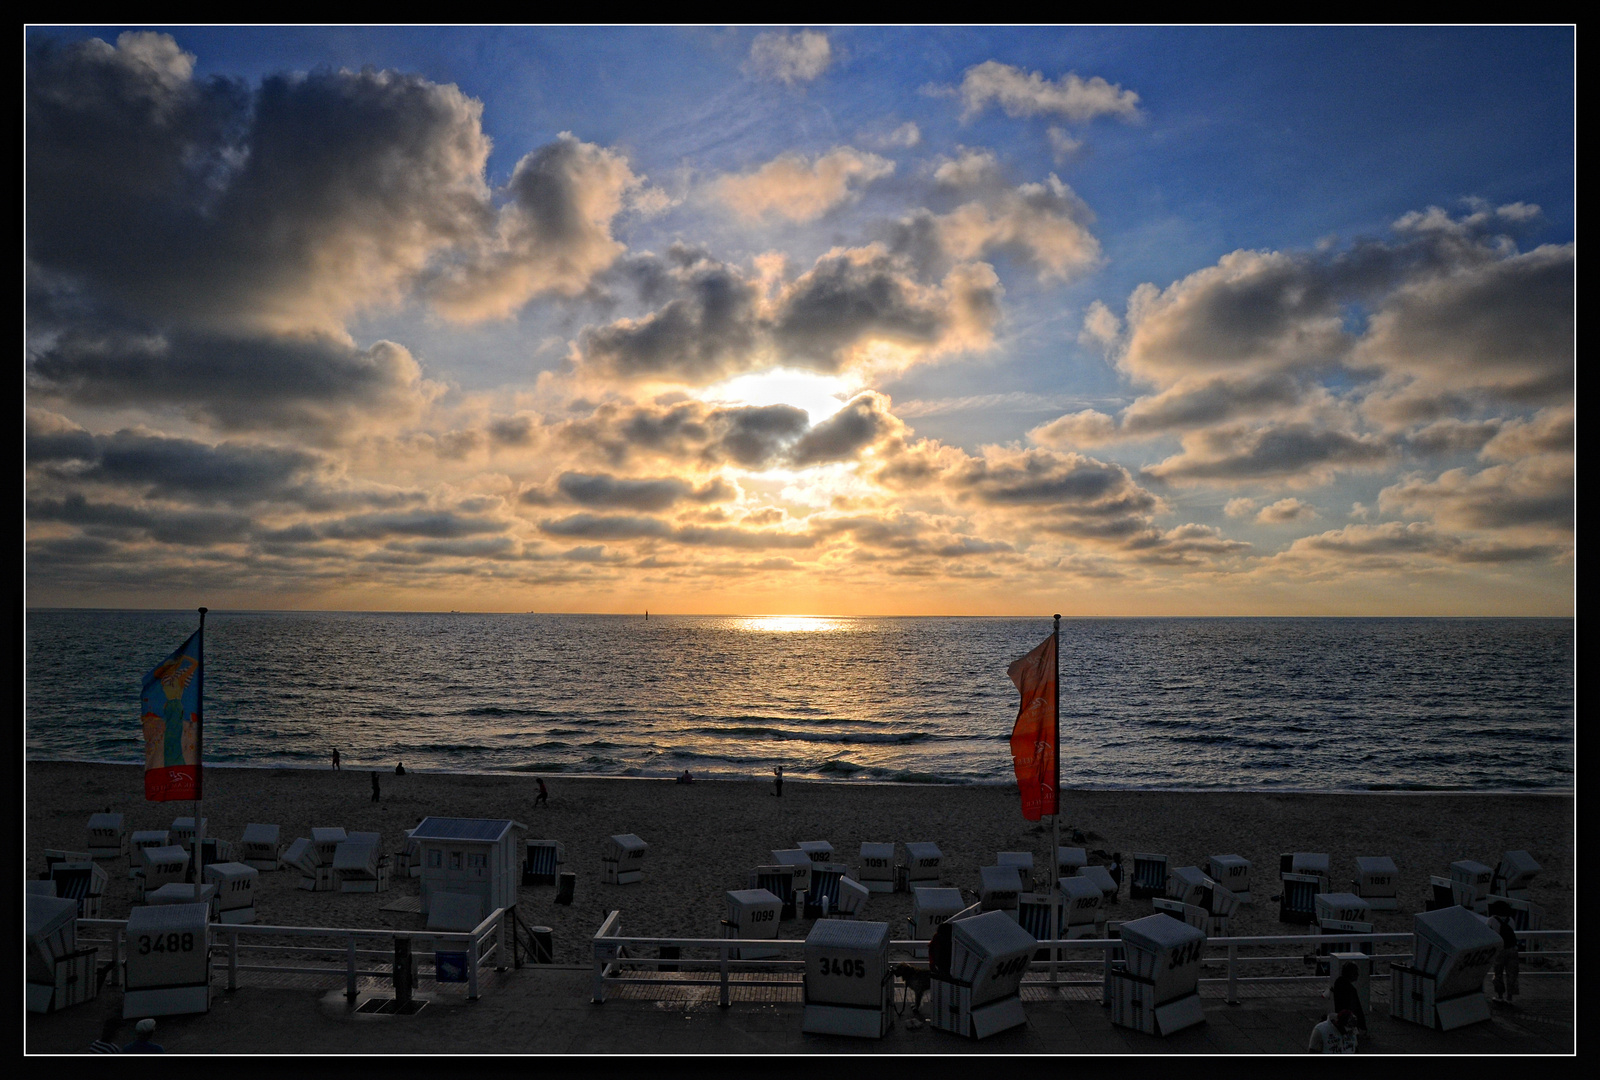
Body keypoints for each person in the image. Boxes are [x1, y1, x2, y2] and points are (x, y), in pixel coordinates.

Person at [1489, 900, 1520, 1005]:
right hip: (1512, 949)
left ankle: (1499, 996)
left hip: (1500, 950)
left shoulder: (1492, 920)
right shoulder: (1510, 920)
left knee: (1498, 973)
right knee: (1512, 974)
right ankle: (1510, 997)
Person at [1330, 961, 1368, 1032]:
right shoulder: (1351, 989)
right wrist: (1362, 1025)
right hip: (1348, 1020)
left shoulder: (1338, 982)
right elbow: (1357, 1008)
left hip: (1340, 1016)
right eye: (1356, 973)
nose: (1358, 975)